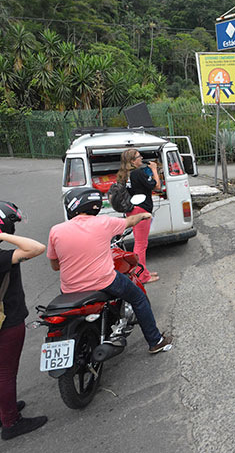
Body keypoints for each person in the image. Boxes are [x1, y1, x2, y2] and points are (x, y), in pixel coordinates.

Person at [48, 187, 173, 355]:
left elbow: (55, 266)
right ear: (94, 205)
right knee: (138, 298)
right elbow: (130, 221)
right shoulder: (104, 223)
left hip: (69, 288)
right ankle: (155, 341)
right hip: (103, 281)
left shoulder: (56, 230)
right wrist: (144, 215)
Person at [0, 201, 47, 441]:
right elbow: (37, 248)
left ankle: (4, 409)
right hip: (8, 320)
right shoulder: (2, 257)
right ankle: (11, 422)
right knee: (6, 373)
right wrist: (4, 236)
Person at [118, 148, 160, 284]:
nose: (141, 158)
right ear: (132, 161)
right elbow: (157, 186)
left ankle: (144, 272)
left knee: (140, 243)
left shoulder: (124, 174)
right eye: (138, 156)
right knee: (141, 245)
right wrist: (154, 169)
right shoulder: (138, 173)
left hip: (132, 210)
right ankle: (142, 276)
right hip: (141, 211)